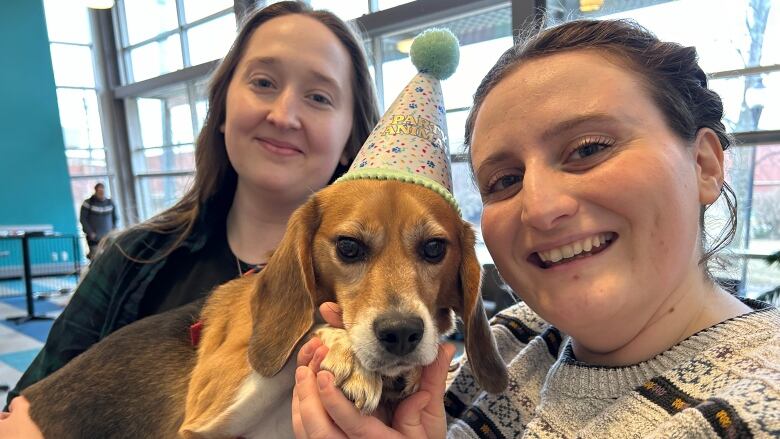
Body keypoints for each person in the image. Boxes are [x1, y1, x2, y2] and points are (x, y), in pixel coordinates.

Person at [292, 18, 780, 438]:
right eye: (504, 180)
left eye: (589, 148)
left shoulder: (761, 406)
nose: (541, 208)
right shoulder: (509, 339)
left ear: (706, 165)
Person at [2, 0, 379, 425]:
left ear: (353, 137)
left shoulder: (384, 303)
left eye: (318, 96)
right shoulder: (133, 257)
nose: (283, 115)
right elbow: (27, 407)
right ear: (222, 108)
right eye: (263, 82)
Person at [79, 182, 118, 260]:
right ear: (96, 191)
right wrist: (90, 232)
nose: (101, 192)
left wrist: (114, 230)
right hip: (94, 238)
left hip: (108, 237)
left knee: (110, 258)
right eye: (99, 191)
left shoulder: (110, 202)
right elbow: (83, 219)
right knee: (96, 259)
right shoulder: (88, 203)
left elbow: (115, 218)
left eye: (103, 190)